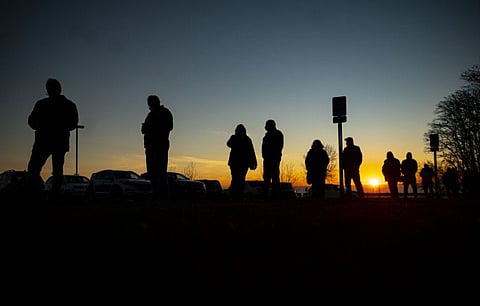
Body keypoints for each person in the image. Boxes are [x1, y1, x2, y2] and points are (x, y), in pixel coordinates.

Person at [27, 78, 79, 199]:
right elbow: (73, 124)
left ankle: (44, 194)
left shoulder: (43, 104)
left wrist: (44, 125)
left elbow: (31, 122)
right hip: (51, 142)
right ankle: (44, 194)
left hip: (47, 142)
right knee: (49, 170)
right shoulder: (67, 105)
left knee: (39, 169)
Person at [142, 95, 173, 201]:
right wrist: (145, 128)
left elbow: (169, 126)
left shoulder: (164, 112)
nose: (149, 106)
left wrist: (152, 128)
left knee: (160, 172)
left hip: (160, 145)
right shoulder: (150, 115)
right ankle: (156, 195)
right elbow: (145, 129)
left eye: (151, 103)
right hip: (150, 146)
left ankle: (164, 197)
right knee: (152, 172)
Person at [227, 124, 257, 200]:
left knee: (240, 179)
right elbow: (228, 144)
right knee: (236, 179)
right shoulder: (235, 138)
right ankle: (235, 195)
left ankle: (238, 195)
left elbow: (251, 151)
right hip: (236, 163)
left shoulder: (247, 139)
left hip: (243, 163)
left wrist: (253, 162)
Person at [262, 119, 284, 199]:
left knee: (274, 176)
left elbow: (279, 147)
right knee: (267, 176)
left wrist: (275, 155)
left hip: (273, 158)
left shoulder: (277, 134)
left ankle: (275, 194)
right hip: (268, 159)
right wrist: (264, 156)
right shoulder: (267, 136)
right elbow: (264, 148)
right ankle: (267, 194)